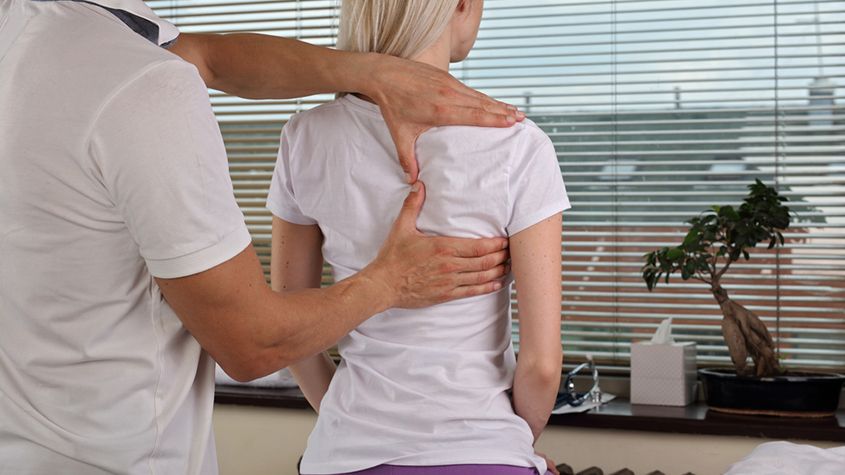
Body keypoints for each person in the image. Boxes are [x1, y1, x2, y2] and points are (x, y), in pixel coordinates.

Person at [0, 0, 524, 473]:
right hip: (121, 459)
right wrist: (391, 282)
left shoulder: (29, 37)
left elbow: (207, 57)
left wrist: (370, 72)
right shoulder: (144, 83)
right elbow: (253, 343)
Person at [269, 1, 569, 474]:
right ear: (462, 6)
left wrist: (352, 422)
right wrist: (508, 444)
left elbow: (292, 328)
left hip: (342, 455)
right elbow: (542, 365)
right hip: (482, 454)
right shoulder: (516, 144)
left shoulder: (305, 136)